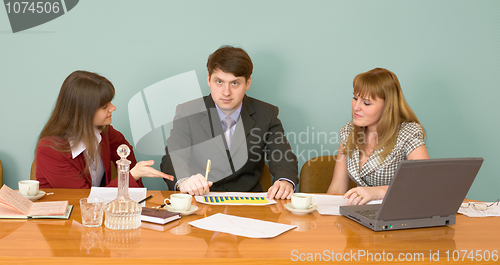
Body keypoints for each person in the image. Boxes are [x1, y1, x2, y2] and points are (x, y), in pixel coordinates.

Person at [161, 46, 298, 199]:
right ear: (208, 80)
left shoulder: (267, 114)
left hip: (248, 205)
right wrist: (184, 181)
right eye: (219, 82)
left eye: (234, 83)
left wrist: (285, 181)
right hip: (198, 201)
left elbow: (282, 156)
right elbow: (172, 158)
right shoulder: (187, 112)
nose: (226, 92)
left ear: (247, 83)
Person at [35, 70, 173, 188]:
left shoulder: (104, 131)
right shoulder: (49, 151)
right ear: (83, 112)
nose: (113, 108)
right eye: (104, 106)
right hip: (64, 216)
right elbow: (84, 200)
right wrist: (130, 177)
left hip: (97, 214)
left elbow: (127, 153)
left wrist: (137, 195)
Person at [326, 68, 429, 205]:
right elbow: (337, 188)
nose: (356, 107)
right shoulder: (349, 132)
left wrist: (377, 192)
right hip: (361, 216)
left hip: (395, 216)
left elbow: (424, 184)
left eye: (366, 103)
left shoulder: (407, 133)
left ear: (387, 106)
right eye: (355, 98)